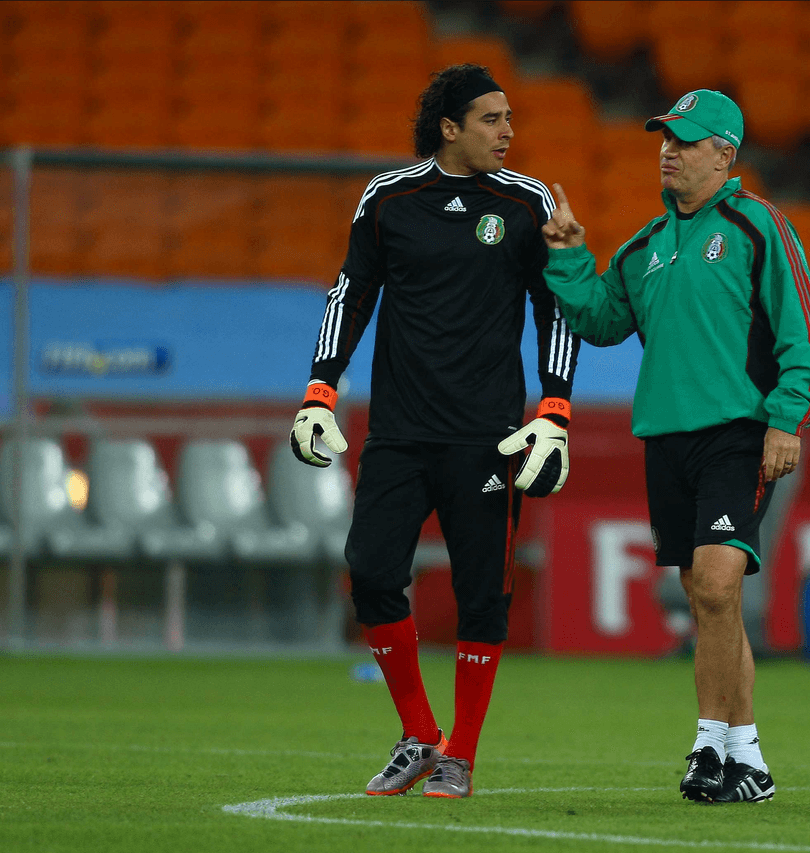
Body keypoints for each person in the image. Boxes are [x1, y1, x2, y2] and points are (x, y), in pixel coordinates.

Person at [289, 64, 581, 799]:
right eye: (491, 119)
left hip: (487, 435)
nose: (508, 131)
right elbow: (351, 290)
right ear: (449, 127)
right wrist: (322, 384)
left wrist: (555, 407)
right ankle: (420, 732)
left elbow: (559, 309)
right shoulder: (389, 198)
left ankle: (462, 753)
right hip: (397, 429)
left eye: (510, 118)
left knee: (483, 593)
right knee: (372, 571)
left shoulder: (528, 202)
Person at [540, 89, 810, 804]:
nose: (667, 151)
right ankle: (746, 760)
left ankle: (709, 745)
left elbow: (803, 335)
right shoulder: (644, 246)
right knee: (709, 600)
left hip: (739, 434)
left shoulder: (758, 225)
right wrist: (573, 257)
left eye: (685, 140)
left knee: (715, 583)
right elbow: (602, 320)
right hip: (667, 439)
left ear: (724, 154)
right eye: (664, 139)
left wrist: (787, 419)